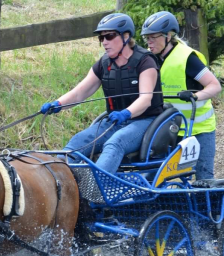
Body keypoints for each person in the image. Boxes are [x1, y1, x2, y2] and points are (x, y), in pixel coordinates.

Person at [41, 13, 164, 174]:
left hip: (145, 121)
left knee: (115, 143)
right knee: (78, 141)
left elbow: (146, 99)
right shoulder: (104, 63)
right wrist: (57, 104)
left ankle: (96, 189)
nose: (104, 42)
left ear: (126, 36)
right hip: (115, 121)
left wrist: (126, 113)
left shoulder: (145, 61)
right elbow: (80, 92)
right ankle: (57, 181)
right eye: (101, 38)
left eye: (110, 36)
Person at [141, 11, 222, 180]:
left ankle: (209, 207)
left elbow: (214, 86)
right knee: (156, 176)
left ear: (168, 36)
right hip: (170, 129)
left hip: (199, 129)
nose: (149, 42)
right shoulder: (151, 60)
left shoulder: (187, 58)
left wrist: (194, 96)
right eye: (146, 38)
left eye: (153, 37)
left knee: (204, 179)